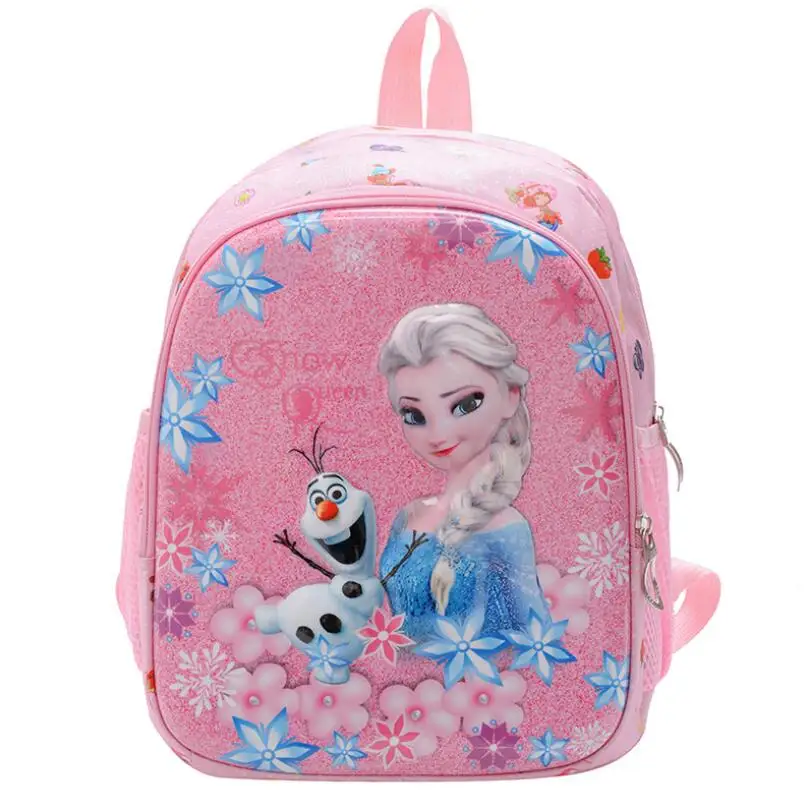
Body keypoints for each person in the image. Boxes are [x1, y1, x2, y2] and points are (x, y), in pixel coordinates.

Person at [377, 303, 551, 641]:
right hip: (392, 675)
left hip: (480, 674)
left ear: (511, 396)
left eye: (465, 404)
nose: (438, 433)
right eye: (414, 415)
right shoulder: (408, 517)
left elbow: (533, 638)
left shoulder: (506, 528)